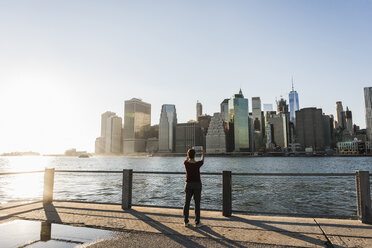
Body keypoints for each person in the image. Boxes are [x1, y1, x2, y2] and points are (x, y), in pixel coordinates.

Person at [183, 147, 204, 227]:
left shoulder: (186, 163)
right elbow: (202, 160)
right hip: (197, 185)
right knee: (197, 204)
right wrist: (203, 153)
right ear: (195, 155)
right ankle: (197, 222)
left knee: (186, 203)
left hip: (188, 184)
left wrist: (188, 155)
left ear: (188, 155)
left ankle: (186, 221)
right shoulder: (198, 164)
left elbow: (187, 159)